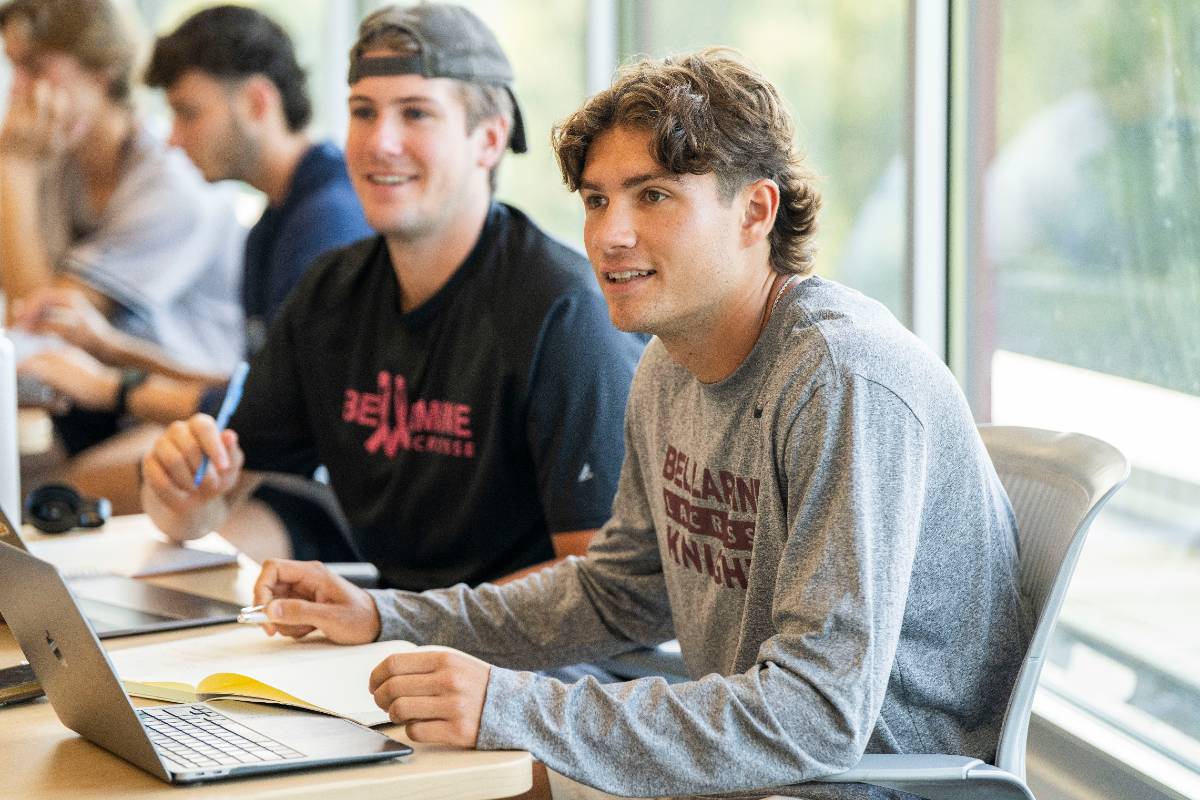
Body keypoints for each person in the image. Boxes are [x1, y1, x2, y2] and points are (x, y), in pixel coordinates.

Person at [241, 48, 1030, 800]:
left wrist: (511, 707)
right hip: (751, 766)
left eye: (653, 195)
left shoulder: (841, 378)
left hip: (867, 780)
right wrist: (387, 616)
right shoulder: (666, 363)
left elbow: (819, 715)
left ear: (756, 210)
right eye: (595, 199)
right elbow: (617, 595)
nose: (609, 234)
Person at [140, 4, 643, 587]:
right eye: (363, 112)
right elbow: (211, 506)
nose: (381, 142)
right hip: (408, 644)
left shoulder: (566, 312)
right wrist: (175, 491)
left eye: (416, 113)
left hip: (548, 667)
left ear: (488, 140)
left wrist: (392, 622)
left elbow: (600, 589)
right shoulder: (330, 294)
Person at [16, 5, 372, 525]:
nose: (175, 139)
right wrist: (111, 349)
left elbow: (284, 415)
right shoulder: (273, 223)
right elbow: (261, 385)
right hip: (263, 464)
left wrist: (115, 387)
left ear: (256, 102)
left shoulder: (326, 225)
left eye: (189, 112)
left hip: (309, 493)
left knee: (58, 499)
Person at [0, 0, 244, 507]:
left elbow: (38, 319)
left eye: (36, 67)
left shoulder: (168, 186)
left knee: (41, 500)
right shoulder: (61, 166)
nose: (18, 89)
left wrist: (14, 173)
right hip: (94, 411)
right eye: (13, 67)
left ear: (102, 70)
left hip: (185, 412)